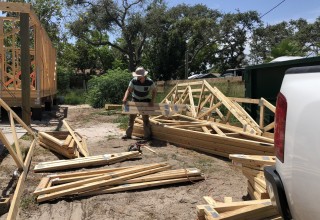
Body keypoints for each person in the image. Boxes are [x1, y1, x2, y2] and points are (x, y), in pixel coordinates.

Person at [122, 66, 157, 140]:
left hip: (145, 100)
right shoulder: (133, 81)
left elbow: (154, 91)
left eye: (138, 76)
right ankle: (128, 135)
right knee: (131, 118)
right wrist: (125, 98)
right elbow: (128, 90)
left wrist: (152, 101)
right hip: (135, 100)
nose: (137, 77)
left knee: (145, 119)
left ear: (143, 76)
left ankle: (147, 136)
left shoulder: (150, 82)